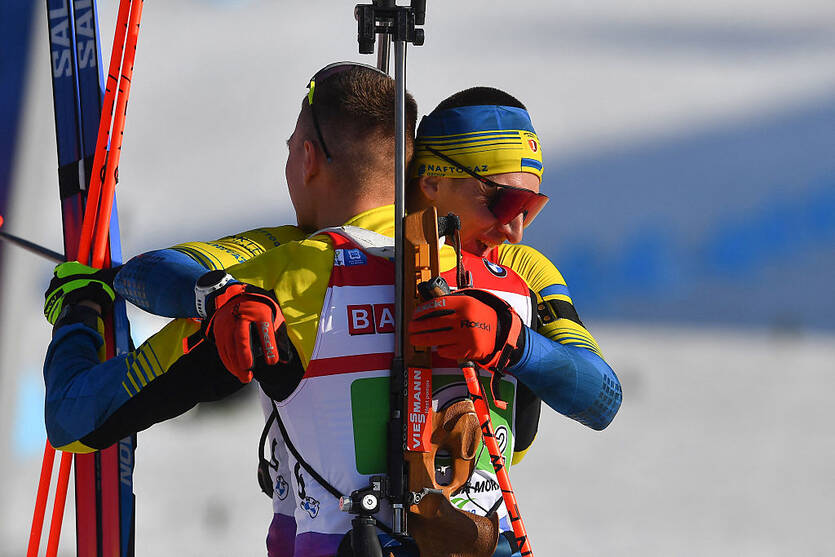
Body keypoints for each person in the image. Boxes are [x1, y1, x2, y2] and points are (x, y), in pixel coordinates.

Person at [42, 65, 621, 556]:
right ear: (430, 182)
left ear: (307, 157)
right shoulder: (300, 254)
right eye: (505, 200)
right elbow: (155, 270)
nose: (517, 226)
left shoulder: (513, 272)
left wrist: (82, 308)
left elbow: (602, 398)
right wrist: (216, 297)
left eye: (533, 205)